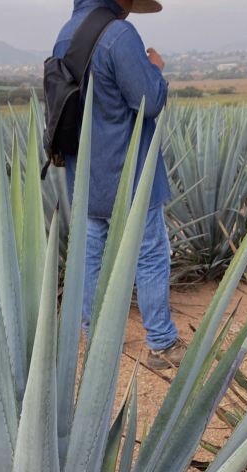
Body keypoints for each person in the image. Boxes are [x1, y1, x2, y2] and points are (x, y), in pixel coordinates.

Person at [54, 0, 185, 371]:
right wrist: (155, 69)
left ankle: (96, 337)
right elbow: (150, 101)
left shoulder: (66, 34)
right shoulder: (119, 34)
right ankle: (161, 342)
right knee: (150, 254)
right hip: (128, 174)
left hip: (84, 177)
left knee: (90, 257)